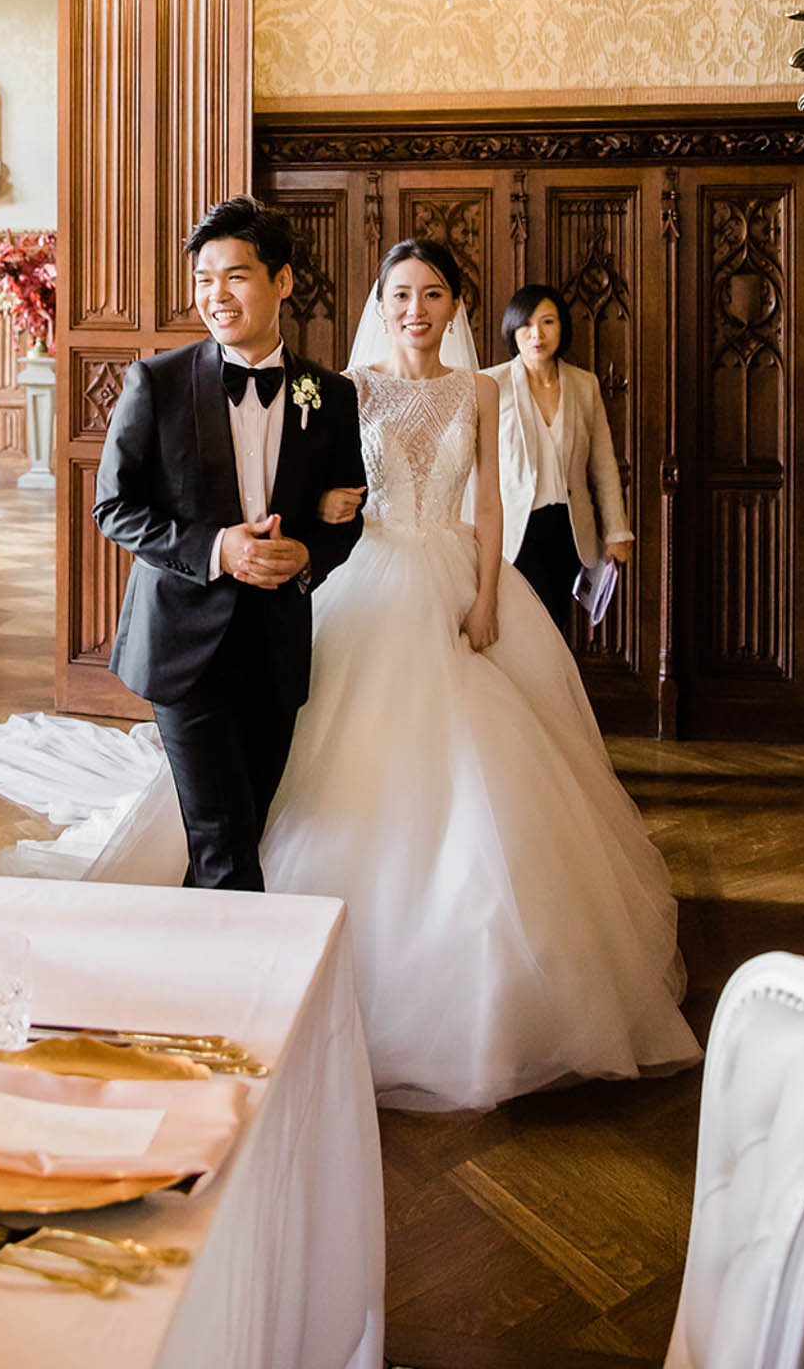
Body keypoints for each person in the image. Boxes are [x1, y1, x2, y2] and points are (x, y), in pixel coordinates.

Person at [261, 239, 700, 1110]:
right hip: (369, 578)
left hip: (460, 573)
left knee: (488, 761)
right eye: (399, 294)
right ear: (379, 304)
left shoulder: (481, 389)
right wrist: (326, 509)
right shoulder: (349, 391)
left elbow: (490, 499)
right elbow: (318, 487)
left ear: (458, 306)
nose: (414, 309)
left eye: (431, 294)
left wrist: (489, 593)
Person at [93, 195, 367, 891]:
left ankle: (192, 964)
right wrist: (219, 549)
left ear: (283, 281)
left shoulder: (328, 396)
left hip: (275, 649)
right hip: (184, 647)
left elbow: (347, 516)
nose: (216, 295)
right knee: (223, 844)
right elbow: (113, 508)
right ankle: (238, 994)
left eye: (236, 275)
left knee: (245, 828)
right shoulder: (156, 383)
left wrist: (308, 553)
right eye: (204, 279)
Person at [485, 283, 633, 630]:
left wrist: (616, 531)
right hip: (514, 532)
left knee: (556, 627)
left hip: (568, 529)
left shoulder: (584, 385)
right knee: (520, 631)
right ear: (513, 330)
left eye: (547, 322)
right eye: (526, 324)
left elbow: (603, 464)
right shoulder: (492, 384)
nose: (537, 334)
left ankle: (551, 687)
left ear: (561, 327)